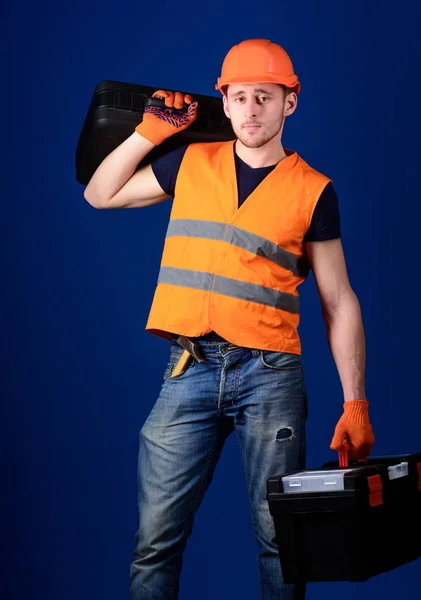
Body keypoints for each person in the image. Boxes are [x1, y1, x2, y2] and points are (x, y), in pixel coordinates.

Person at [84, 38, 375, 600]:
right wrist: (149, 133)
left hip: (271, 374)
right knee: (154, 543)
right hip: (188, 366)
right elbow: (100, 194)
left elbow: (339, 299)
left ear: (290, 102)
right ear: (224, 100)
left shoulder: (314, 191)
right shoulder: (188, 160)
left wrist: (355, 402)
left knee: (280, 540)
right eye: (239, 97)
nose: (250, 110)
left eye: (264, 97)